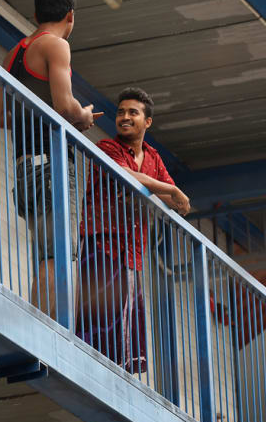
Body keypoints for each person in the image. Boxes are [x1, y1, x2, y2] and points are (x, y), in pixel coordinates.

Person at [0, 0, 100, 319]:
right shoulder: (56, 45)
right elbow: (63, 106)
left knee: (47, 257)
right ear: (70, 16)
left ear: (35, 13)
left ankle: (38, 326)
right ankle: (41, 330)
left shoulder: (15, 52)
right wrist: (82, 116)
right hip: (51, 169)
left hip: (25, 169)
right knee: (59, 258)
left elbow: (1, 116)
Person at [77, 87, 190, 373]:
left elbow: (174, 201)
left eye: (133, 113)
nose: (125, 118)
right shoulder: (107, 147)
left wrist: (165, 192)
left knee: (127, 316)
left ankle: (118, 374)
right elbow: (125, 174)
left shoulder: (152, 157)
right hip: (101, 242)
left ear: (147, 122)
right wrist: (166, 189)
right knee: (99, 311)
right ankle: (89, 365)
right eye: (121, 112)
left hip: (132, 252)